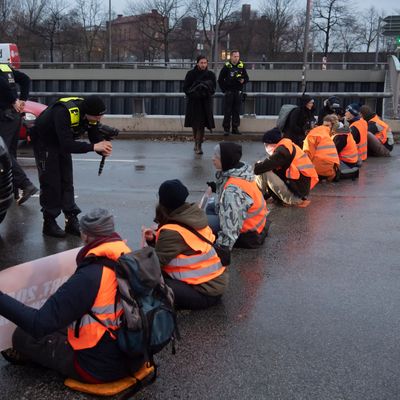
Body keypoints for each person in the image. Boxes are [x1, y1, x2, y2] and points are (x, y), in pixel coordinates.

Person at [0, 208, 144, 383]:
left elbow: (38, 324)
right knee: (62, 325)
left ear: (84, 235)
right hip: (136, 356)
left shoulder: (90, 275)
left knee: (22, 335)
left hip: (100, 368)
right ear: (111, 231)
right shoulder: (128, 256)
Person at [32, 95, 113, 238]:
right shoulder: (63, 112)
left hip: (61, 142)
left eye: (101, 116)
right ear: (88, 113)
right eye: (96, 117)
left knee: (67, 181)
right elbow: (68, 144)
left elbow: (94, 138)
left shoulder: (91, 115)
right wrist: (94, 147)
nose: (99, 120)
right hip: (44, 141)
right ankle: (49, 222)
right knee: (51, 183)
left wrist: (102, 148)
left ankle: (71, 220)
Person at [144, 179, 228, 310]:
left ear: (163, 202)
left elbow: (154, 265)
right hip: (215, 284)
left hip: (204, 292)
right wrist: (153, 240)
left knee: (150, 283)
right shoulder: (193, 216)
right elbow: (183, 247)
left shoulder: (172, 231)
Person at [206, 142, 269, 250]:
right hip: (256, 225)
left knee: (201, 222)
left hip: (248, 234)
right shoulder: (241, 172)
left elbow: (231, 228)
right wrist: (216, 188)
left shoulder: (232, 191)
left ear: (226, 160)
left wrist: (221, 249)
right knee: (210, 207)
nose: (212, 159)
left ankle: (210, 238)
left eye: (216, 156)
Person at [0, 63, 38, 205]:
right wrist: (22, 99)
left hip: (4, 116)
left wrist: (14, 100)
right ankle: (14, 192)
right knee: (11, 153)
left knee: (3, 154)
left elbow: (1, 85)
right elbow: (25, 79)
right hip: (14, 117)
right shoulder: (4, 67)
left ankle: (25, 185)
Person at [254, 128, 318, 206]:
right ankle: (258, 197)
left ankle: (255, 198)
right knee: (267, 169)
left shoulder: (282, 152)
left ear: (272, 143)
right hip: (299, 193)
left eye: (266, 144)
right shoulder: (287, 147)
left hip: (295, 197)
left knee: (265, 171)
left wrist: (258, 164)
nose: (265, 147)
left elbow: (258, 169)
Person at [183, 55, 216, 155]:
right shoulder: (191, 74)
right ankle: (196, 142)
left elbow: (213, 88)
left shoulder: (210, 74)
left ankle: (198, 146)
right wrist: (195, 93)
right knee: (194, 125)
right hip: (194, 102)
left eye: (205, 63)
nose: (203, 65)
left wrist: (205, 90)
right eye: (201, 63)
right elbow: (186, 88)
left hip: (205, 102)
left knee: (201, 125)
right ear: (197, 63)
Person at [217, 50, 249, 135]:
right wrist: (224, 90)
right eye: (235, 56)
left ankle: (235, 128)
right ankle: (226, 129)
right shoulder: (227, 67)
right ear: (231, 57)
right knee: (227, 111)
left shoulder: (241, 66)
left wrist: (243, 80)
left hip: (238, 92)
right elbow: (220, 80)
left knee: (236, 111)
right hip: (229, 92)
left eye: (238, 56)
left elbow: (247, 78)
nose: (236, 58)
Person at [303, 115, 340, 181]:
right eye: (325, 125)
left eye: (328, 125)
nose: (326, 127)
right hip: (329, 172)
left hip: (316, 170)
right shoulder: (328, 136)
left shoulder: (315, 134)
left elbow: (308, 154)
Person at [327, 114, 360, 180]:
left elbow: (332, 153)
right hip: (350, 161)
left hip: (346, 163)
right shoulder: (343, 131)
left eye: (327, 125)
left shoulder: (341, 136)